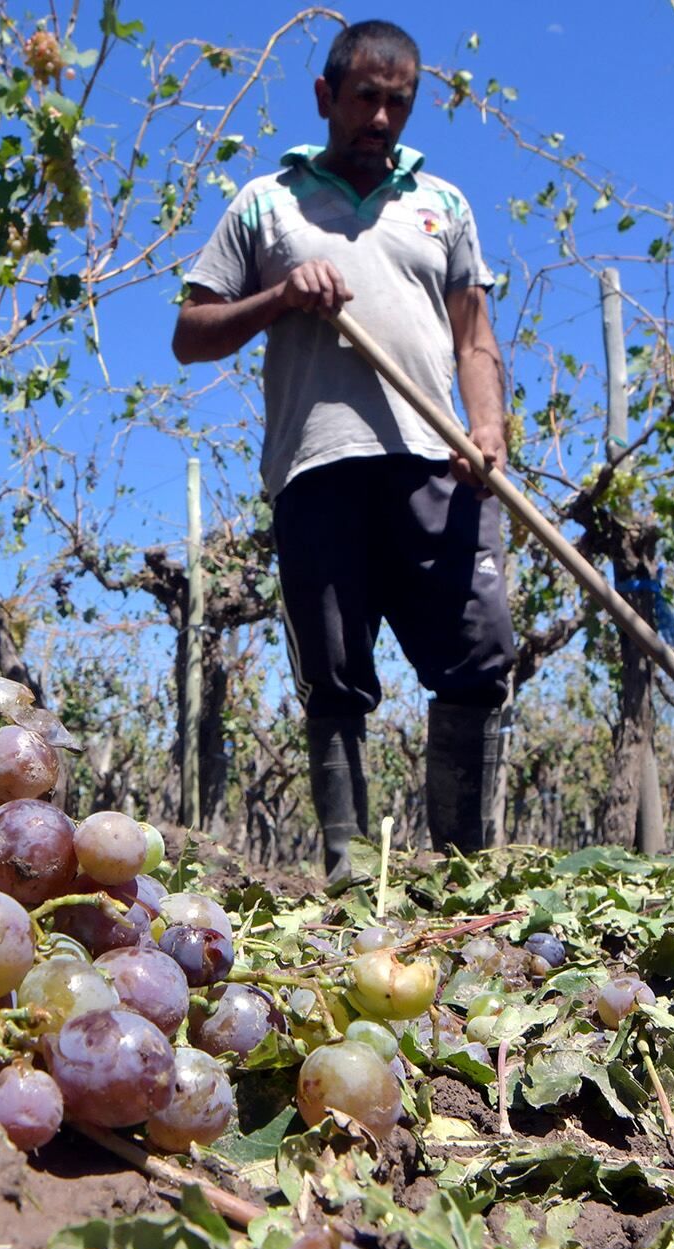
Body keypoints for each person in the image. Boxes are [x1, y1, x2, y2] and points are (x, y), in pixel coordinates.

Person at [172, 19, 514, 885]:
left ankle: (465, 875)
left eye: (398, 102)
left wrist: (488, 428)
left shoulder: (445, 206)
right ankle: (349, 873)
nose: (381, 118)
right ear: (327, 97)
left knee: (478, 656)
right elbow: (190, 333)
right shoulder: (266, 202)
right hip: (318, 465)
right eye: (366, 98)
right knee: (334, 674)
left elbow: (475, 339)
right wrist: (283, 295)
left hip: (438, 460)